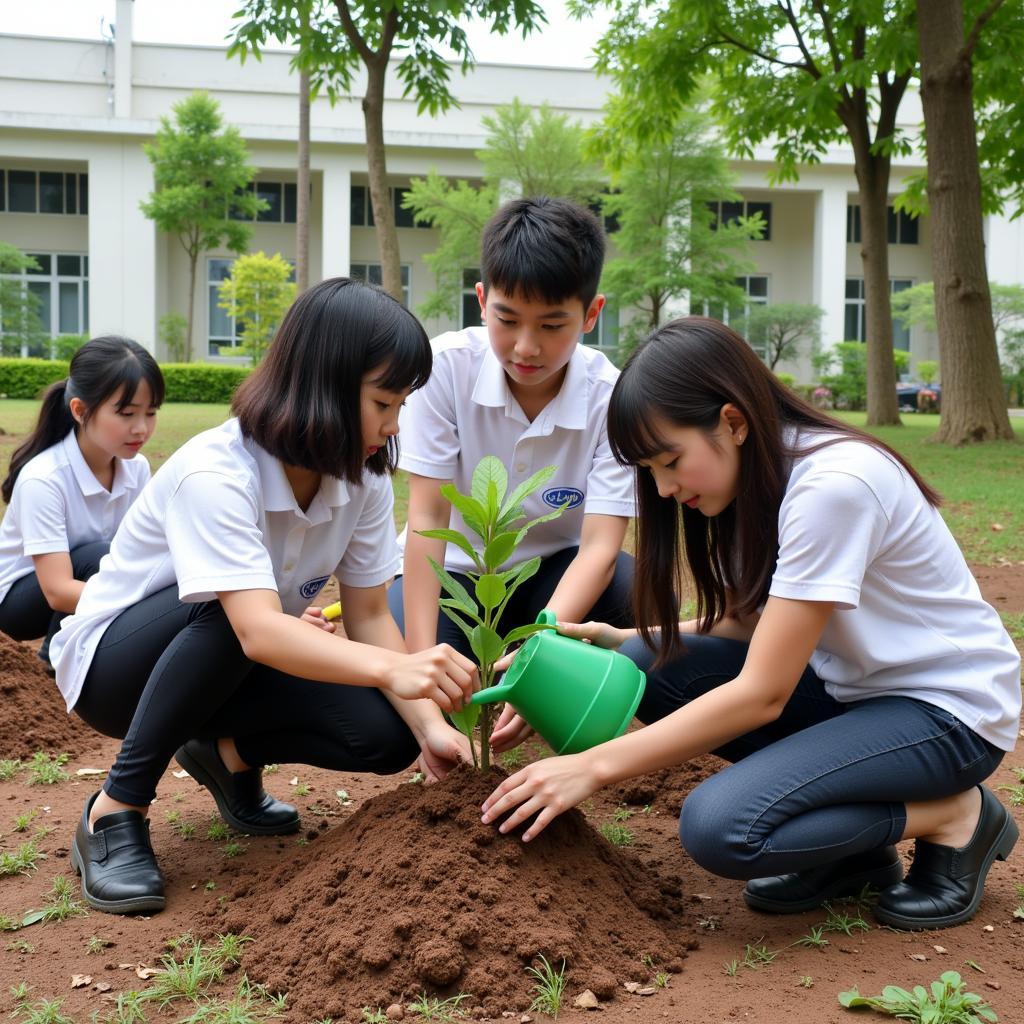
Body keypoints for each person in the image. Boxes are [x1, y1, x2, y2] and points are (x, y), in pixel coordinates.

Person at [480, 316, 1020, 932]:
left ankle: (957, 817)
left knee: (721, 828)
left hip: (946, 714)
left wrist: (591, 767)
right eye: (650, 471)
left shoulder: (834, 487)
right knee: (649, 666)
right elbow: (753, 622)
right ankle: (856, 856)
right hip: (859, 698)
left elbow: (763, 692)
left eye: (670, 461)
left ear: (732, 422)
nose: (661, 489)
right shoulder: (755, 485)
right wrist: (627, 639)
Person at [51, 279, 478, 915]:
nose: (395, 426)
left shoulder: (361, 478)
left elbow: (365, 613)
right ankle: (115, 810)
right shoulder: (217, 471)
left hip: (229, 666)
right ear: (324, 385)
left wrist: (430, 725)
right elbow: (254, 629)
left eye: (402, 404)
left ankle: (223, 757)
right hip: (115, 672)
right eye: (383, 402)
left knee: (385, 735)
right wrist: (399, 665)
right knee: (235, 619)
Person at [389, 196, 636, 755]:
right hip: (453, 573)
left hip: (552, 578)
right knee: (412, 705)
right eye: (507, 320)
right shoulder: (444, 369)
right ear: (482, 300)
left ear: (591, 314)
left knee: (630, 585)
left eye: (552, 325)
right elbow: (428, 518)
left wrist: (541, 652)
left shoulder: (611, 398)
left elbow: (598, 547)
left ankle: (566, 702)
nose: (527, 347)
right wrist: (423, 674)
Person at [0, 336, 163, 672]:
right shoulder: (44, 479)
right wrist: (134, 601)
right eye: (127, 413)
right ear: (80, 410)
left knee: (112, 560)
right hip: (15, 605)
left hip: (84, 588)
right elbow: (58, 592)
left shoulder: (137, 468)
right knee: (98, 556)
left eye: (150, 413)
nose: (141, 428)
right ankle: (52, 658)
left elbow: (138, 555)